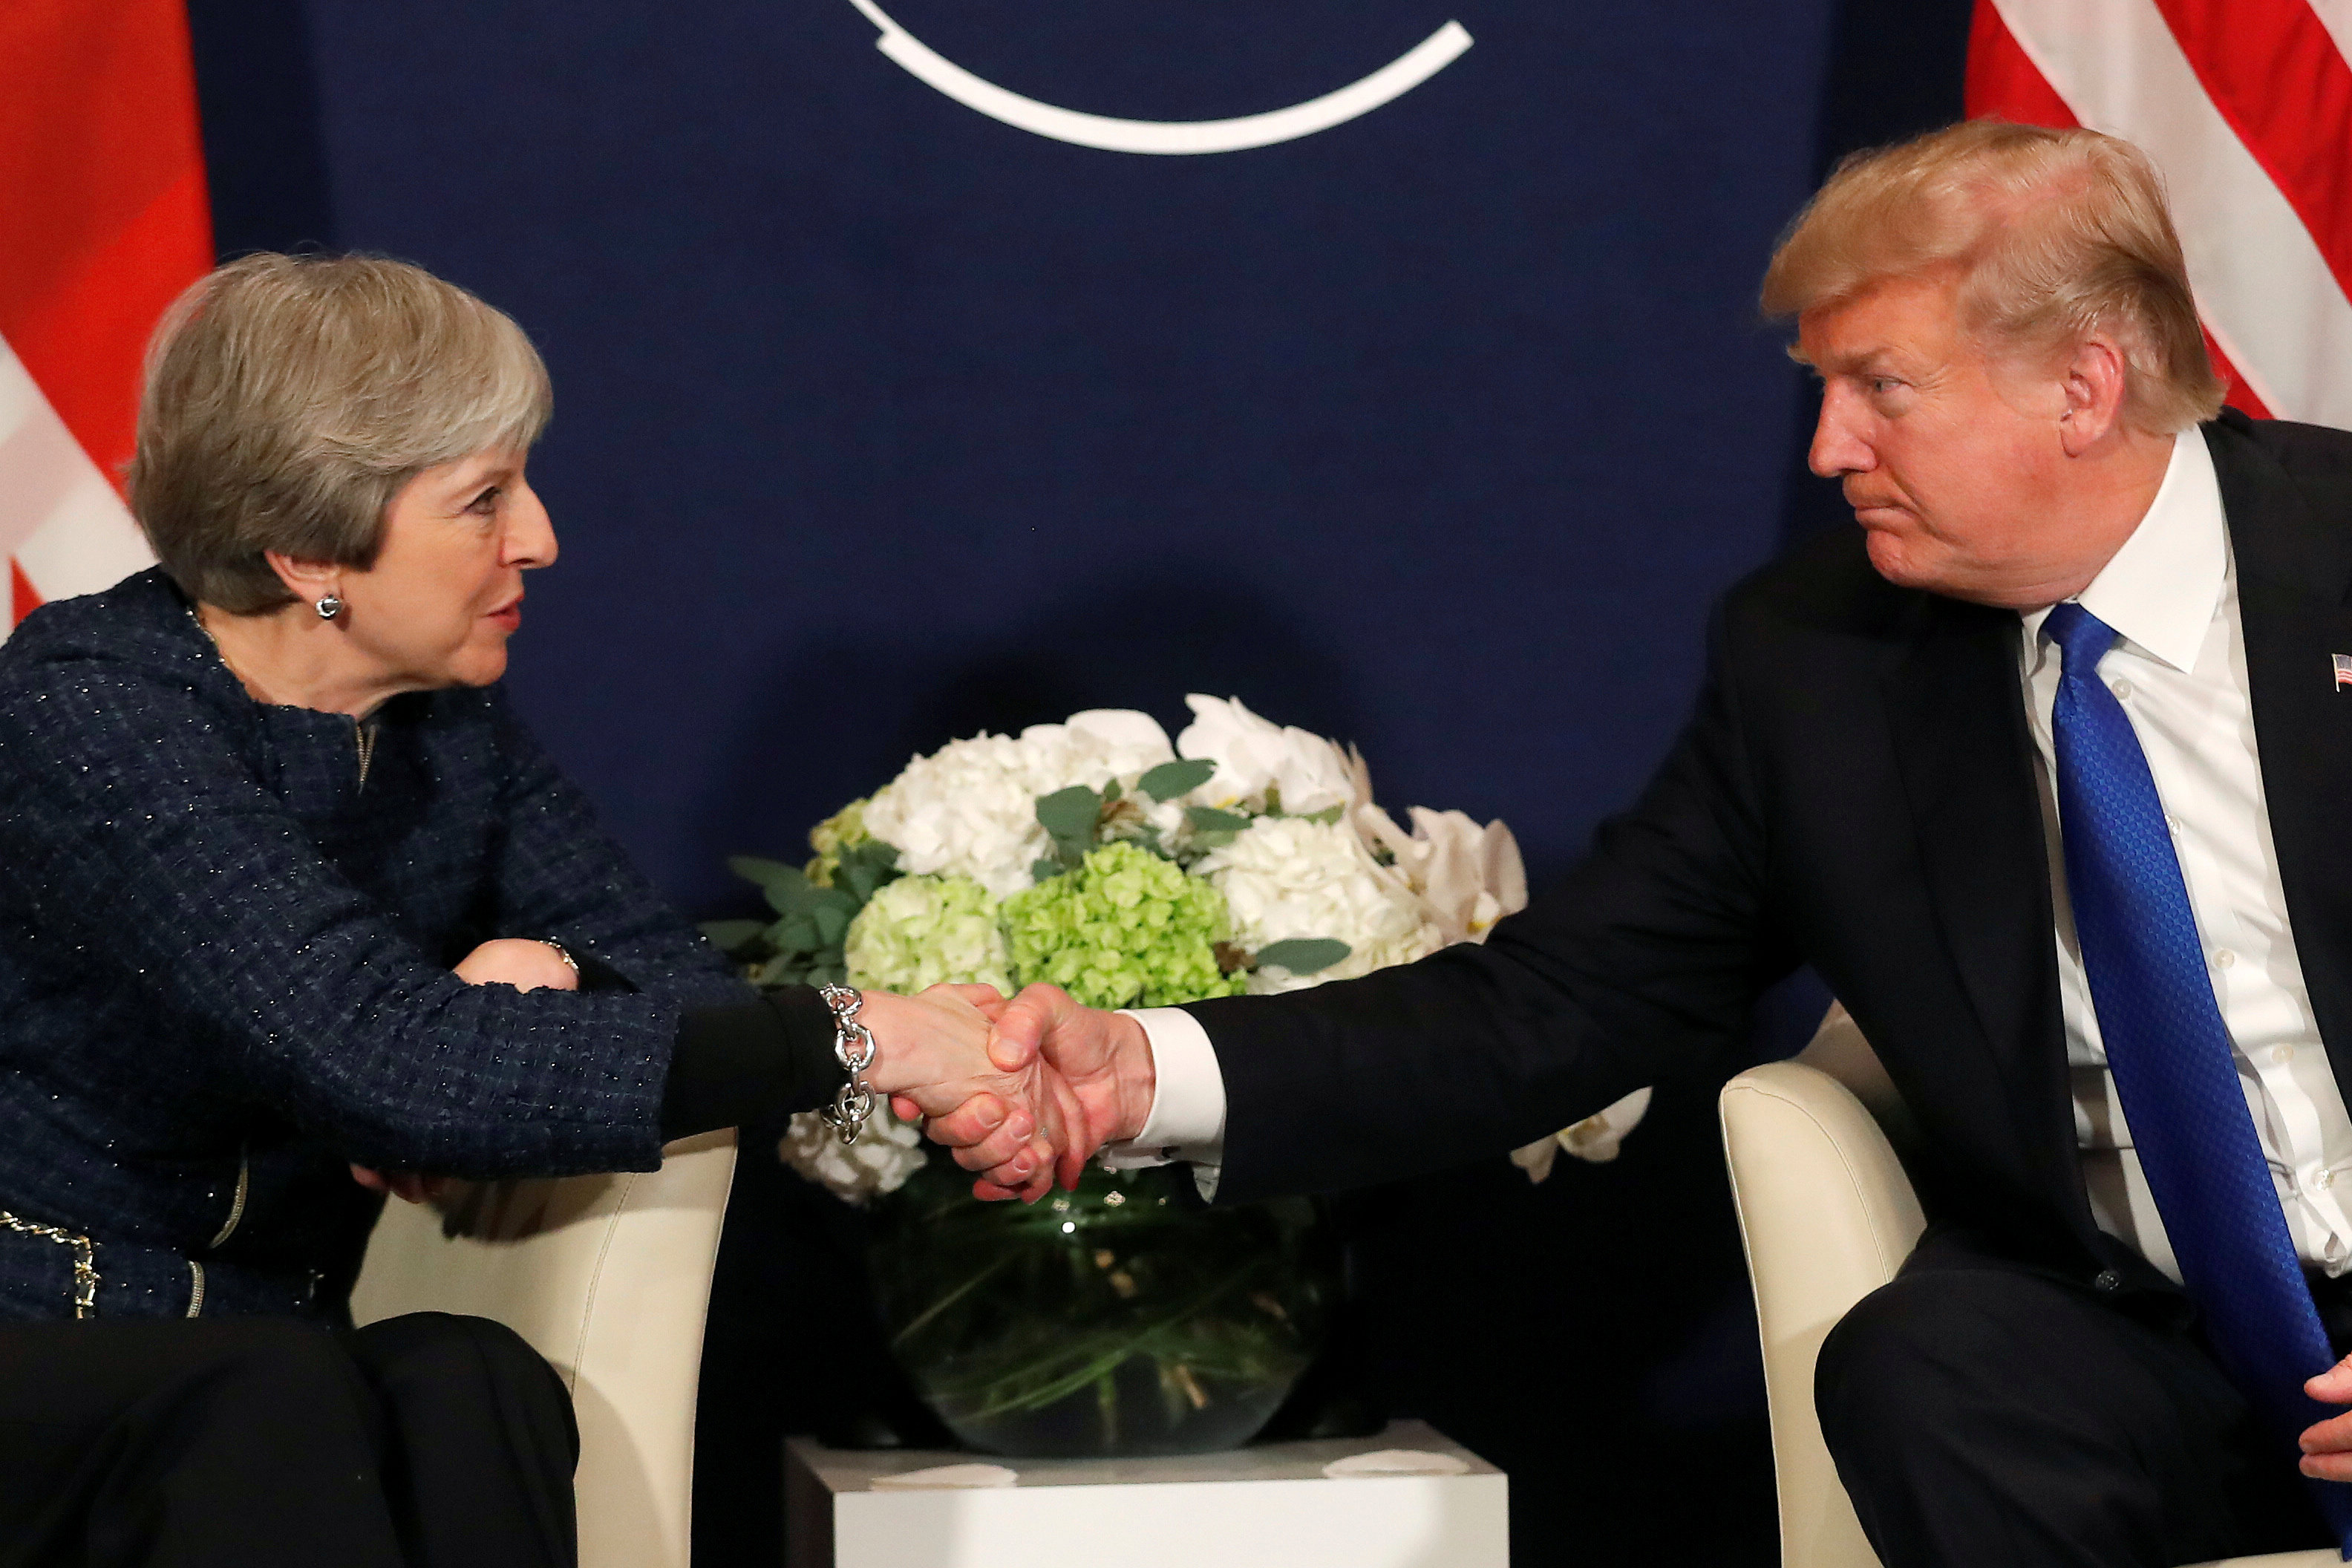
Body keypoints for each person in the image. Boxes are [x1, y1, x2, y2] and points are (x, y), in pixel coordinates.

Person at [922, 121, 2352, 1567]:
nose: (1827, 447)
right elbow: (1560, 1003)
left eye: (1883, 390)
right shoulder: (1822, 666)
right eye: (1823, 388)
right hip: (2148, 1346)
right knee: (1929, 1361)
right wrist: (1146, 1068)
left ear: (2083, 387)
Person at [0, 252, 1041, 1564]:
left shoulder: (443, 721)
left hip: (258, 1353)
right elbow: (385, 1060)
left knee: (468, 1379)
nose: (540, 537)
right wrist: (857, 1034)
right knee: (268, 1395)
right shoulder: (87, 714)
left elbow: (664, 970)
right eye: (484, 500)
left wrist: (546, 961)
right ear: (314, 549)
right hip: (44, 1338)